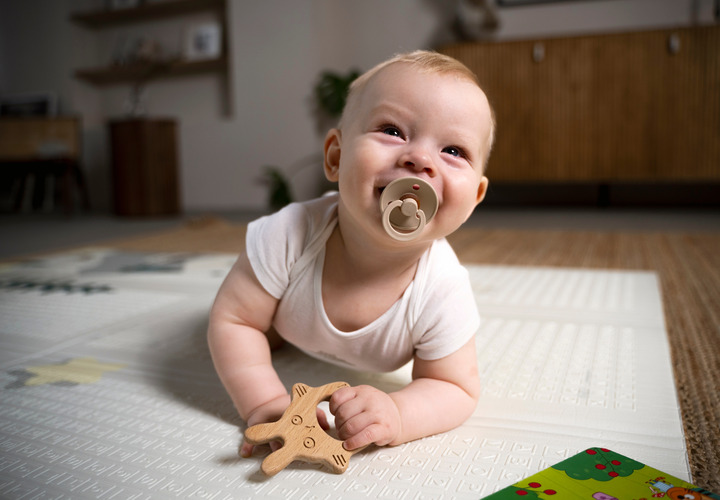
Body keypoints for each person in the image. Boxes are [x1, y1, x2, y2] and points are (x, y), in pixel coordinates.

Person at [207, 50, 495, 457]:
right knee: (255, 318)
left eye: (454, 151)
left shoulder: (443, 289)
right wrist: (265, 403)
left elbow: (455, 388)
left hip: (312, 325)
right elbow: (233, 321)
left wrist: (397, 412)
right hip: (284, 320)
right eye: (393, 130)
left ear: (475, 198)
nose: (421, 159)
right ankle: (273, 324)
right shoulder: (288, 234)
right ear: (336, 157)